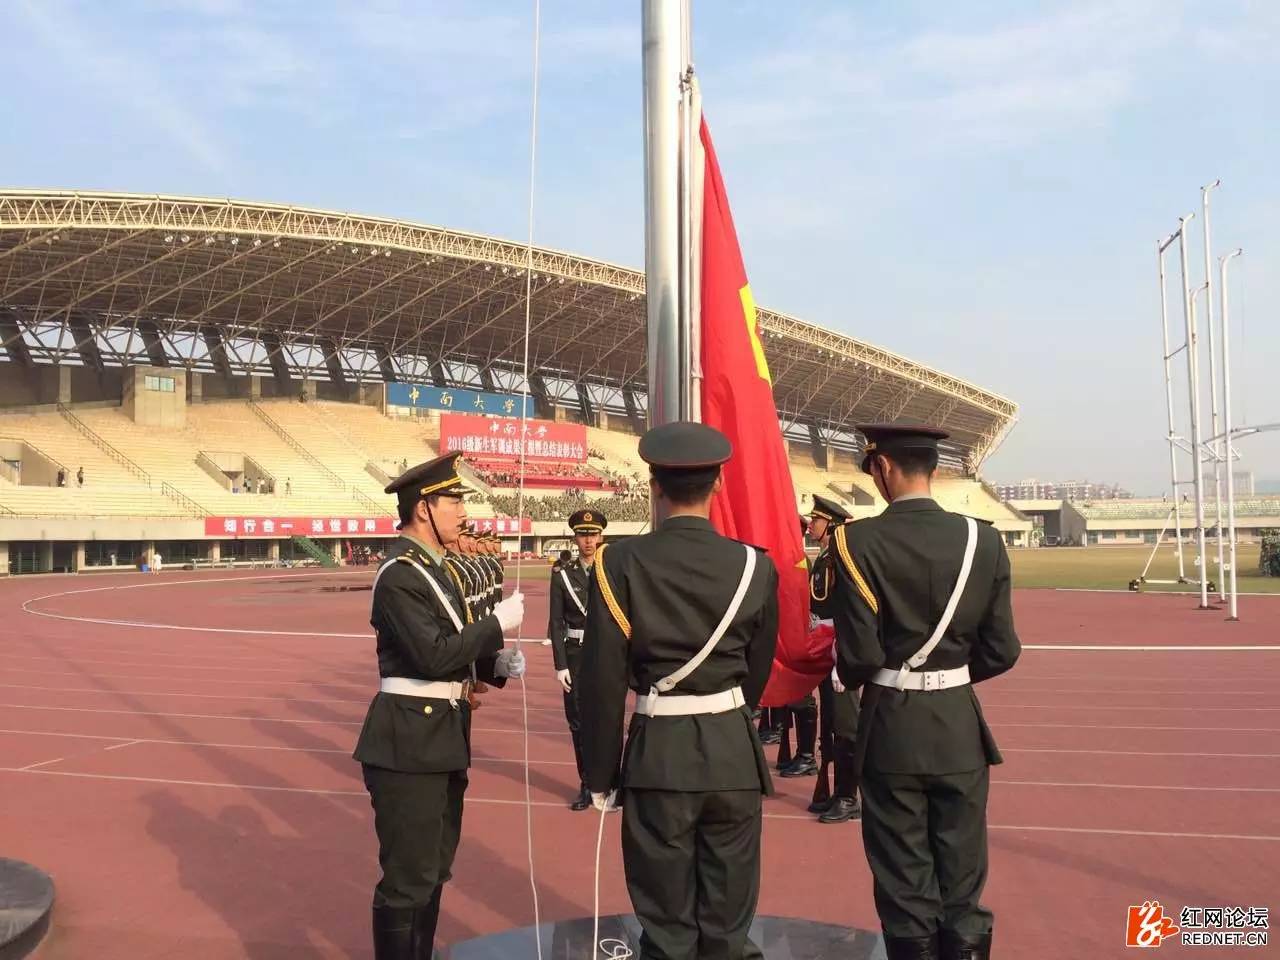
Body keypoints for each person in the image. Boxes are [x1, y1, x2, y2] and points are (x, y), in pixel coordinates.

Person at [579, 421, 778, 960]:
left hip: (658, 759)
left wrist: (601, 774)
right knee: (728, 925)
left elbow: (600, 681)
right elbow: (757, 671)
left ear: (655, 486)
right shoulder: (755, 565)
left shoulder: (617, 563)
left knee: (666, 929)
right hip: (733, 754)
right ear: (718, 485)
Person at [831, 424, 1021, 960]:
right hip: (958, 726)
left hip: (892, 727)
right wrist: (948, 676)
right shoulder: (983, 538)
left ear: (883, 467)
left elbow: (862, 657)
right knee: (962, 880)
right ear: (932, 469)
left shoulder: (855, 542)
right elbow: (1003, 648)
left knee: (903, 882)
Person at [353, 452, 528, 959]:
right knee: (408, 879)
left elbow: (451, 648)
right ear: (424, 509)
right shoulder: (400, 575)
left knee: (433, 872)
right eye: (454, 500)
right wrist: (495, 625)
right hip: (408, 742)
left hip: (442, 738)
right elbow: (430, 654)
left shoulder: (439, 570)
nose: (461, 512)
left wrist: (492, 666)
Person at [805, 495, 862, 824]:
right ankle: (837, 790)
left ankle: (848, 796)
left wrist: (843, 651)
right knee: (831, 721)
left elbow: (849, 610)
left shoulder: (840, 560)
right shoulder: (826, 558)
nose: (811, 524)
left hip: (840, 650)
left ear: (832, 523)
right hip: (825, 648)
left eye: (816, 520)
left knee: (845, 725)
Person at [548, 508, 607, 811]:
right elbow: (555, 622)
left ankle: (608, 783)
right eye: (583, 534)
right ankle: (587, 784)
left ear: (601, 536)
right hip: (575, 655)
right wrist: (560, 664)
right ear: (575, 537)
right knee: (579, 724)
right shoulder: (561, 575)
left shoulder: (611, 570)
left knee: (608, 721)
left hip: (606, 655)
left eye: (593, 534)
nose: (588, 540)